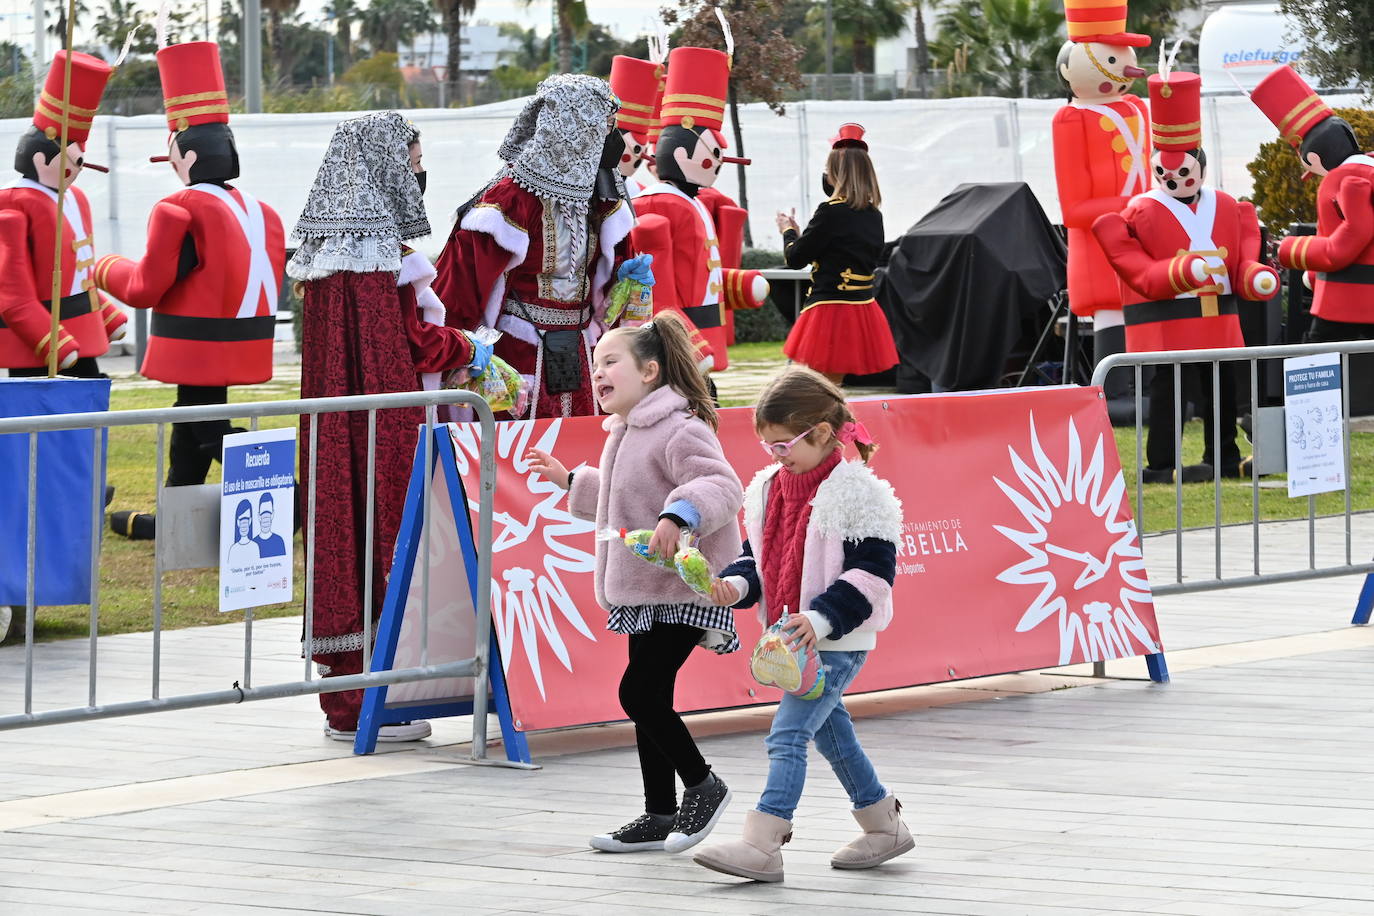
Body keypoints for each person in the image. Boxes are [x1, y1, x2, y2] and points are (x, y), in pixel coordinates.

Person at [288, 110, 485, 743]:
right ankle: (364, 701)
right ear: (380, 167)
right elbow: (408, 346)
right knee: (380, 536)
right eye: (412, 163)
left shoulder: (328, 254)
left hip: (339, 427)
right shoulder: (375, 259)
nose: (419, 175)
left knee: (349, 534)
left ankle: (355, 695)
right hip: (380, 427)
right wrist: (466, 349)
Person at [524, 314, 744, 856]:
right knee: (651, 698)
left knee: (638, 693)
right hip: (645, 591)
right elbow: (625, 497)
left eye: (609, 362)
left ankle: (703, 785)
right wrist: (571, 481)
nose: (597, 372)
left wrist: (680, 516)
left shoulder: (678, 427)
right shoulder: (628, 432)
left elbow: (719, 484)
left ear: (650, 371)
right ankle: (659, 810)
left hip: (684, 589)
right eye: (594, 363)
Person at [692, 368, 911, 883]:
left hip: (837, 639)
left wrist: (819, 619)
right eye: (768, 446)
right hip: (793, 640)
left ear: (821, 432)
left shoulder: (858, 492)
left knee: (787, 734)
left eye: (783, 444)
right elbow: (759, 559)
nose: (775, 455)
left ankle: (763, 843)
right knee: (831, 734)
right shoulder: (768, 488)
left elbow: (873, 575)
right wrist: (735, 586)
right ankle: (884, 825)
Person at [96, 40, 285, 541]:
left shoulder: (177, 207)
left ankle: (283, 488)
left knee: (205, 426)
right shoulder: (261, 210)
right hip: (247, 341)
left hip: (199, 344)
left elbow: (143, 287)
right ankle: (173, 516)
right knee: (191, 417)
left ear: (189, 154)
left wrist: (102, 268)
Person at [1092, 66, 1279, 482]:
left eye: (1182, 173)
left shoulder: (1228, 206)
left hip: (1218, 315)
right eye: (1165, 173)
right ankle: (1161, 463)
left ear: (1201, 169)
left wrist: (1252, 275)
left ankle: (1224, 456)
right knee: (1169, 389)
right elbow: (1137, 269)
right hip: (1169, 320)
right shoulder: (1142, 209)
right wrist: (1181, 271)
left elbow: (1243, 257)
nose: (1173, 180)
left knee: (1221, 387)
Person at [432, 74, 635, 420]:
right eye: (605, 126)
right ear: (576, 128)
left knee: (583, 445)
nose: (612, 138)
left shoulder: (603, 194)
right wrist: (464, 351)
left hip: (585, 349)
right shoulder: (511, 199)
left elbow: (619, 270)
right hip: (518, 351)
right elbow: (460, 288)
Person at [0, 50, 124, 379]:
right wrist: (49, 340)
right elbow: (11, 289)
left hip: (79, 323)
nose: (78, 166)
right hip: (35, 334)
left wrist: (104, 313)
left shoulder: (74, 199)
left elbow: (77, 269)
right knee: (38, 404)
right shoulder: (14, 202)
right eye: (71, 157)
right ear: (41, 159)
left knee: (89, 389)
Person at [1250, 66, 1374, 343]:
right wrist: (1316, 277)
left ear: (1315, 158)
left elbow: (1350, 240)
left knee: (1317, 366)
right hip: (1356, 300)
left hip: (1346, 303)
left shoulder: (1342, 178)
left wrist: (1289, 249)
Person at [775, 124, 897, 385]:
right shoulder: (874, 214)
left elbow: (795, 259)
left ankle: (828, 426)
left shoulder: (830, 211)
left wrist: (788, 231)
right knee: (831, 385)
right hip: (862, 308)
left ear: (835, 174)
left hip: (829, 310)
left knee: (817, 387)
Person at [225, 499, 259, 567]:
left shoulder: (255, 547)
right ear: (237, 522)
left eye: (246, 519)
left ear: (250, 521)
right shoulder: (233, 549)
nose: (244, 523)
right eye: (241, 519)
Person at [253, 492, 286, 558]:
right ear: (258, 516)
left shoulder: (279, 542)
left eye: (268, 512)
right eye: (263, 513)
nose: (265, 517)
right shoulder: (253, 544)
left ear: (272, 514)